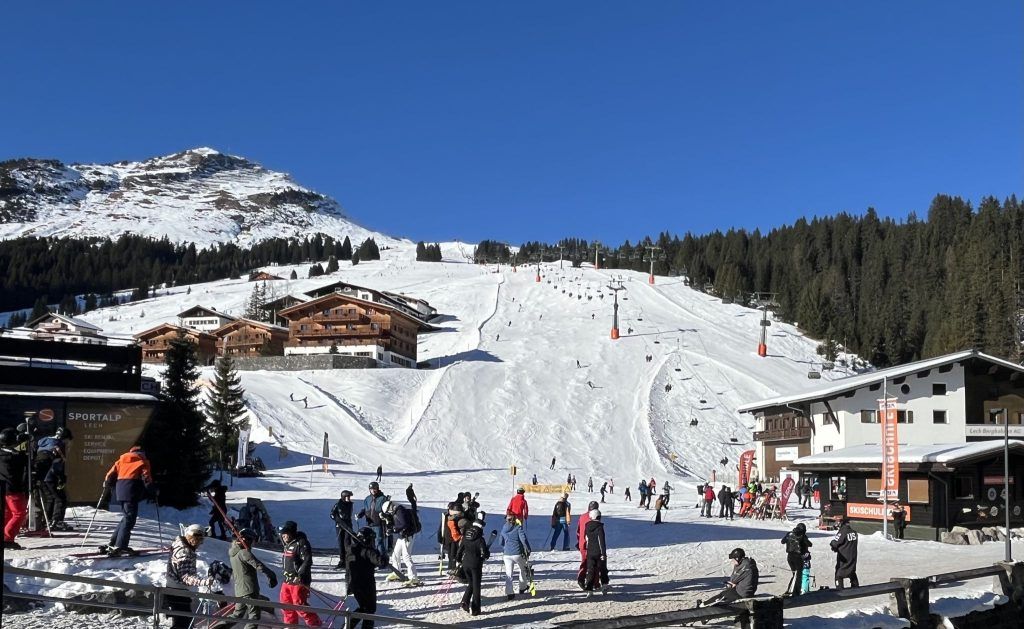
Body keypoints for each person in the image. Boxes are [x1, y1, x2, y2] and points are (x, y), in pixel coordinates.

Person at [217, 527, 277, 629]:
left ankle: (219, 627)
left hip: (240, 590)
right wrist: (271, 575)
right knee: (254, 616)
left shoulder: (234, 553)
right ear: (246, 539)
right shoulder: (244, 552)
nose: (252, 544)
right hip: (249, 589)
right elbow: (258, 565)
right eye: (251, 540)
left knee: (237, 615)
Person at [165, 524, 219, 628]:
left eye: (201, 540)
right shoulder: (185, 552)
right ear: (191, 537)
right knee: (183, 623)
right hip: (178, 591)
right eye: (198, 539)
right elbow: (185, 577)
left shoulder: (179, 543)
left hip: (174, 588)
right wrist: (203, 582)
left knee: (182, 621)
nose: (200, 543)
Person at [103, 445, 154, 556]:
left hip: (120, 490)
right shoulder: (142, 461)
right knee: (129, 519)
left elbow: (110, 475)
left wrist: (107, 484)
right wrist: (153, 490)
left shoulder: (121, 460)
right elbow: (146, 478)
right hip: (132, 490)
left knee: (126, 518)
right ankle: (121, 546)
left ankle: (113, 543)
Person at [345, 526, 389, 629]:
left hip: (354, 584)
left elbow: (348, 570)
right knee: (370, 609)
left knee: (364, 608)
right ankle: (350, 625)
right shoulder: (368, 551)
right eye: (371, 539)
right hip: (366, 585)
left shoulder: (351, 549)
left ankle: (348, 625)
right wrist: (384, 556)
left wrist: (348, 585)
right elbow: (381, 563)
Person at [278, 520, 320, 626]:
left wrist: (300, 575)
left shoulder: (301, 543)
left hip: (299, 581)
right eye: (282, 534)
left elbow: (308, 560)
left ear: (291, 533)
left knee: (299, 606)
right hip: (287, 580)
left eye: (285, 534)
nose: (283, 536)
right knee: (286, 605)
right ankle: (290, 626)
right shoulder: (287, 544)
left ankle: (315, 625)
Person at [0, 428, 29, 549]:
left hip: (4, 487)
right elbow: (24, 458)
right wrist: (26, 444)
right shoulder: (13, 457)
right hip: (13, 489)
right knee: (19, 513)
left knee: (7, 514)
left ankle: (5, 537)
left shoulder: (4, 453)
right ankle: (7, 538)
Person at [456, 519, 490, 616]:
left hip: (466, 564)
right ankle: (475, 609)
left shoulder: (465, 537)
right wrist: (487, 553)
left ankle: (465, 601)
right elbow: (484, 554)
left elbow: (459, 551)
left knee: (471, 583)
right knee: (476, 587)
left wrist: (459, 560)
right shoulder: (480, 539)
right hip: (476, 565)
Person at [382, 499, 420, 585]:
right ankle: (397, 572)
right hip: (401, 536)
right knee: (395, 554)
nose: (389, 513)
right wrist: (389, 523)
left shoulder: (400, 511)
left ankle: (413, 577)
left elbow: (404, 524)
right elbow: (396, 524)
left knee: (406, 556)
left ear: (390, 508)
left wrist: (394, 530)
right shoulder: (396, 511)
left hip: (407, 536)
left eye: (388, 511)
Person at [500, 513, 531, 600]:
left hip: (507, 554)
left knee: (509, 574)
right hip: (517, 553)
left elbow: (500, 542)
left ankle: (510, 593)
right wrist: (528, 549)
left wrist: (505, 547)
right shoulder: (518, 527)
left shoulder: (503, 528)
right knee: (523, 569)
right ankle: (522, 587)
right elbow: (523, 539)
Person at [358, 481, 389, 557]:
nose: (373, 490)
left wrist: (384, 515)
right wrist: (360, 515)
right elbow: (365, 509)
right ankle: (373, 559)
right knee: (370, 542)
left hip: (379, 524)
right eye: (371, 489)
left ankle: (382, 559)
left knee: (379, 542)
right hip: (369, 524)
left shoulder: (383, 498)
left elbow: (387, 511)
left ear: (377, 488)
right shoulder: (367, 499)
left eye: (374, 489)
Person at [582, 508, 609, 596]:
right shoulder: (599, 526)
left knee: (591, 570)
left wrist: (587, 549)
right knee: (602, 569)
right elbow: (601, 541)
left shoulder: (587, 525)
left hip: (590, 551)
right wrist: (603, 553)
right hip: (599, 552)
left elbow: (586, 538)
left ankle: (589, 589)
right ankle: (604, 585)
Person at [782, 522, 812, 596]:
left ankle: (790, 590)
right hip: (798, 557)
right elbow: (809, 544)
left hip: (789, 557)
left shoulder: (789, 533)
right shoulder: (802, 535)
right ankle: (795, 592)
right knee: (798, 575)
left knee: (794, 574)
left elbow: (782, 541)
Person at [830, 516, 859, 589]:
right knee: (852, 572)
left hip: (844, 558)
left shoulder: (843, 531)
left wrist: (832, 543)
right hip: (853, 557)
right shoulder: (854, 532)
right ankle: (856, 588)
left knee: (839, 574)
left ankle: (839, 589)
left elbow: (835, 543)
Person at [575, 500, 599, 588]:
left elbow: (578, 531)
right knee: (594, 563)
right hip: (591, 544)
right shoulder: (594, 517)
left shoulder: (582, 516)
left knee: (584, 562)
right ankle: (595, 583)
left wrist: (579, 541)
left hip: (582, 543)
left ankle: (581, 579)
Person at [330, 490, 354, 570]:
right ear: (343, 497)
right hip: (339, 526)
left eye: (349, 497)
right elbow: (332, 514)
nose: (349, 498)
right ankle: (342, 561)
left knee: (347, 543)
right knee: (341, 543)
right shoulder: (338, 504)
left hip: (348, 526)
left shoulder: (350, 504)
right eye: (347, 497)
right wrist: (338, 520)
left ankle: (348, 561)